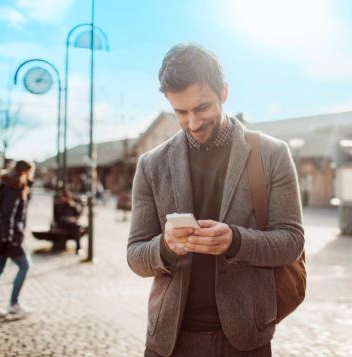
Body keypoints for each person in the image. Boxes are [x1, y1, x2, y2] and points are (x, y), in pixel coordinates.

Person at [127, 43, 305, 357]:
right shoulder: (151, 164)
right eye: (181, 112)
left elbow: (291, 242)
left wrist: (235, 241)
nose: (193, 123)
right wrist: (166, 246)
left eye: (202, 108)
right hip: (168, 341)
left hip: (245, 340)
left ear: (223, 92)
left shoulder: (272, 155)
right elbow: (135, 255)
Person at [0, 160, 33, 318]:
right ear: (26, 171)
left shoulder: (6, 183)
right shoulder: (14, 186)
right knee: (25, 266)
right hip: (8, 236)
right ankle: (13, 303)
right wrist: (7, 238)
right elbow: (7, 214)